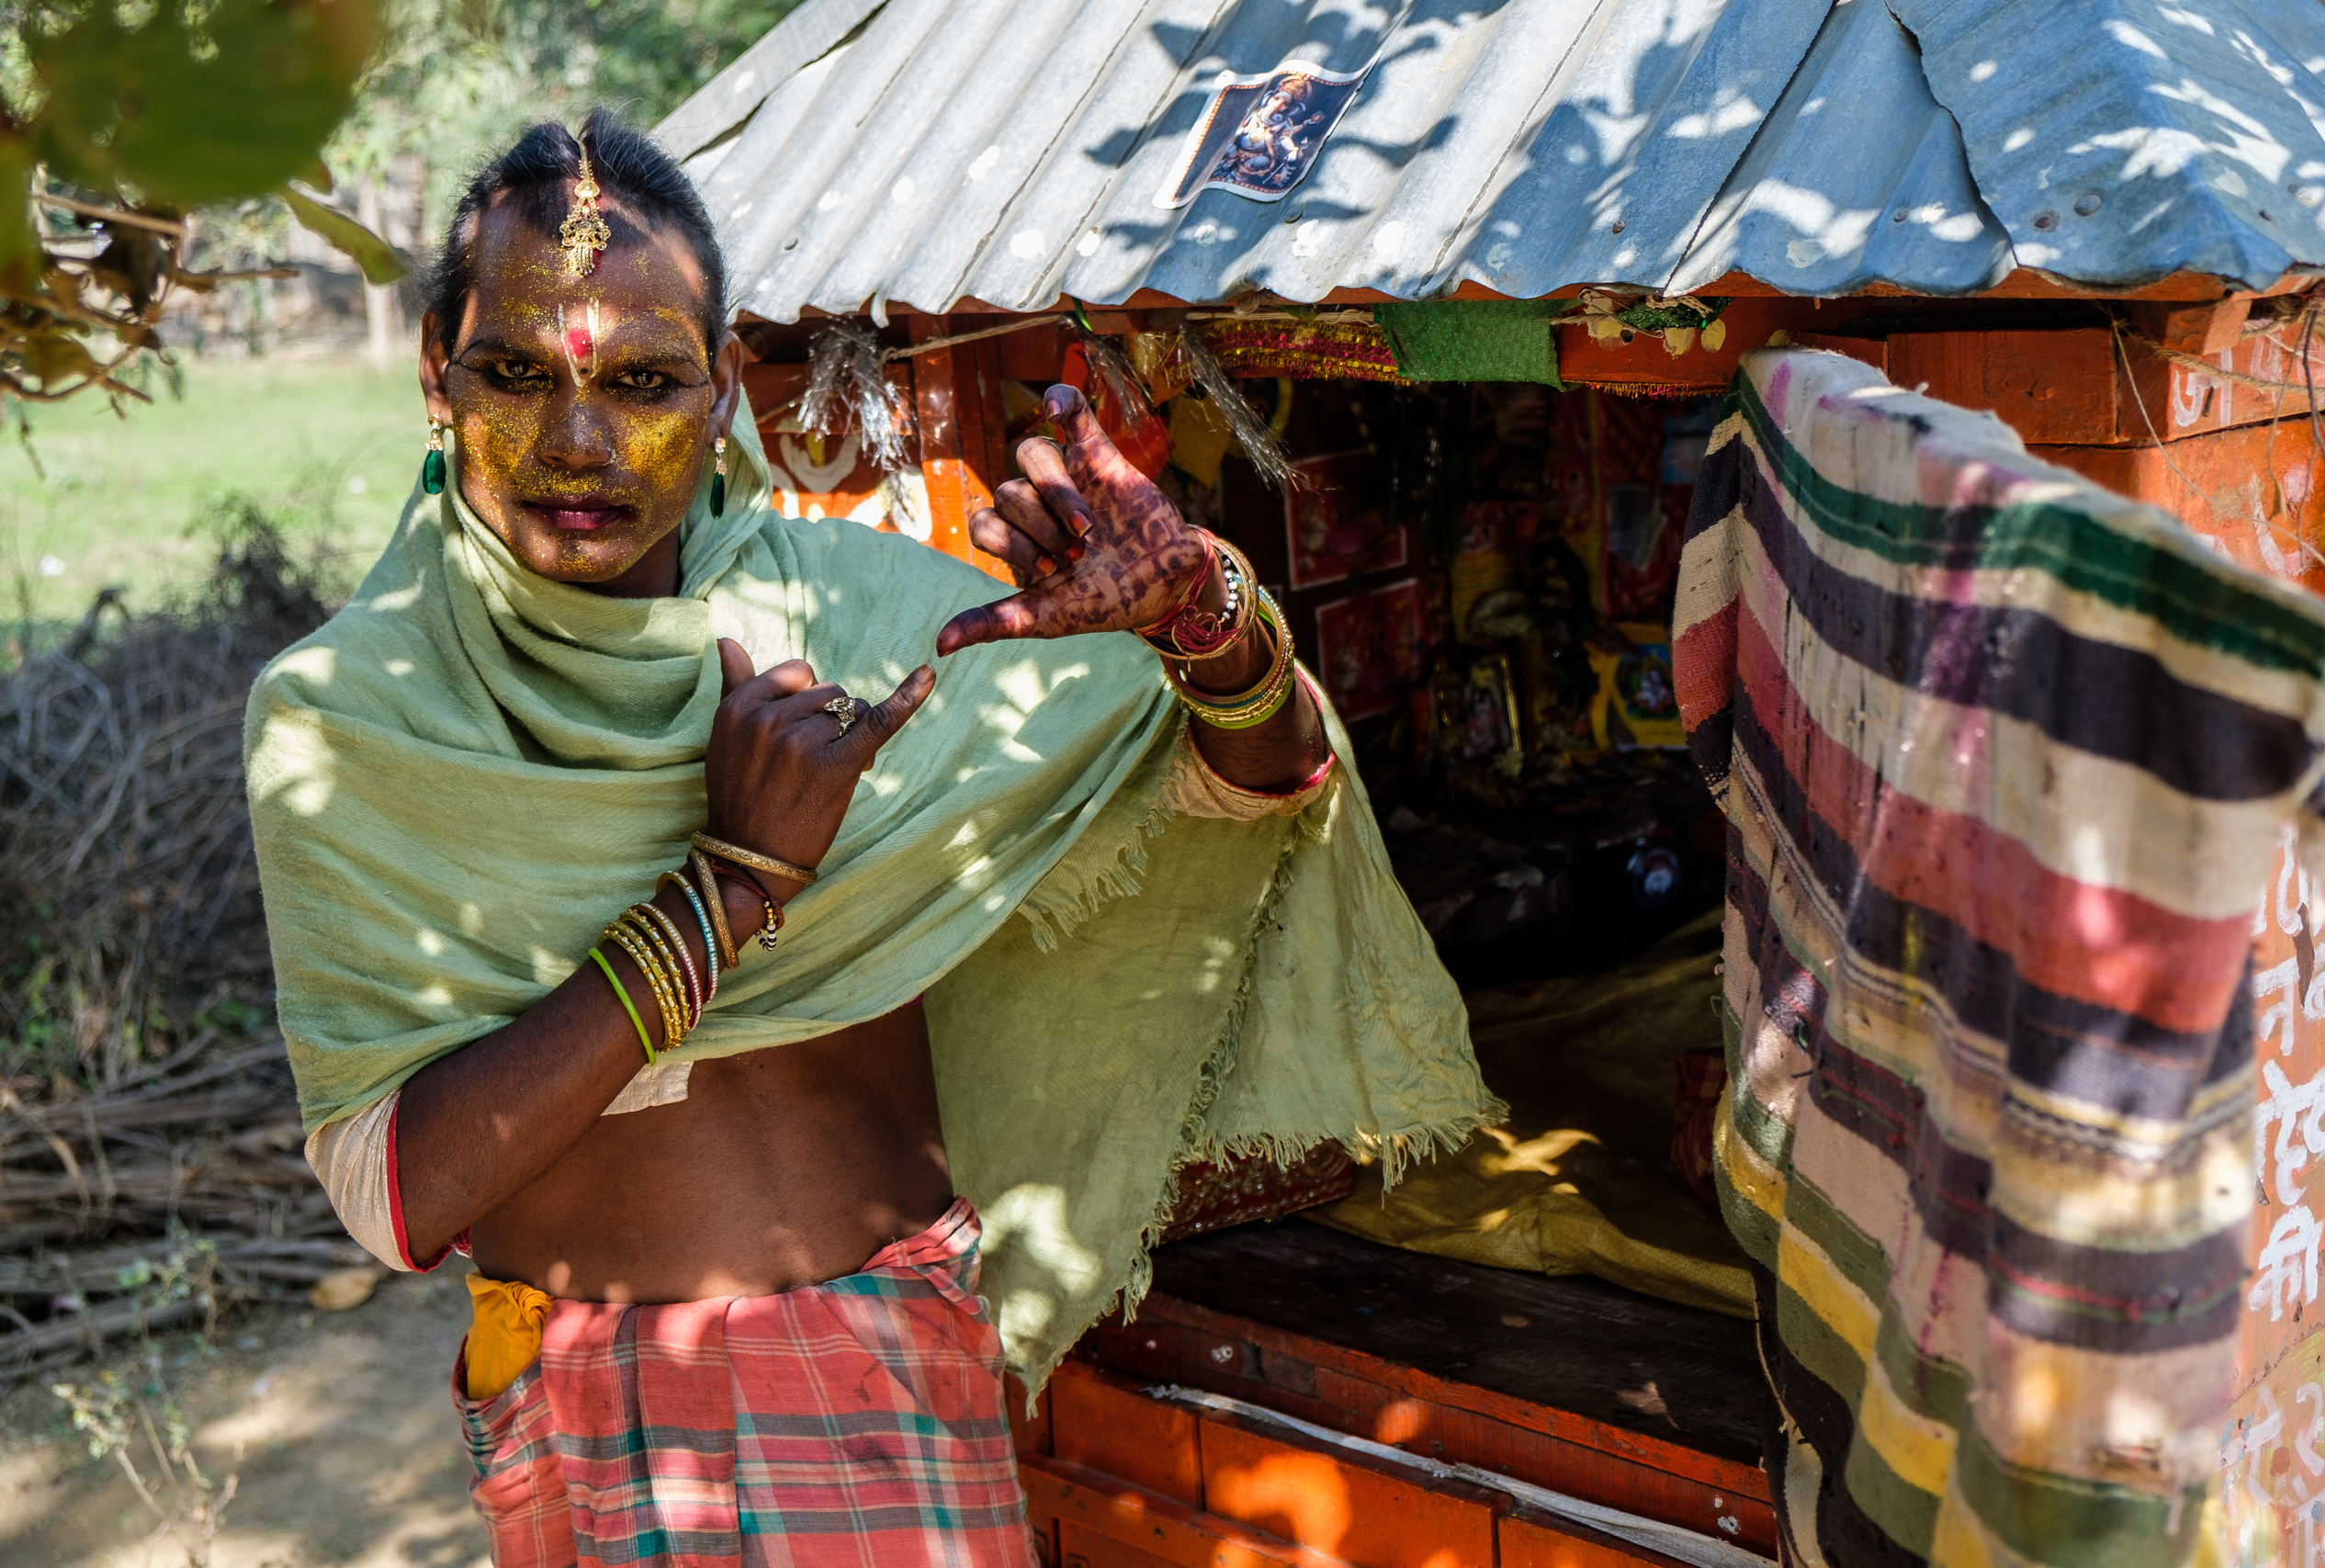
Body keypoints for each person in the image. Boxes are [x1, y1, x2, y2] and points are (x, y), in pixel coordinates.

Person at [246, 109, 1491, 1566]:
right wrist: (728, 893)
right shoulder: (352, 715)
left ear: (720, 394)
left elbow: (1255, 793)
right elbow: (400, 1193)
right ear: (433, 376)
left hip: (890, 1377)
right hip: (590, 1416)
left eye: (644, 382)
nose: (576, 443)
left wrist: (1206, 624)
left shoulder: (865, 619)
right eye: (515, 373)